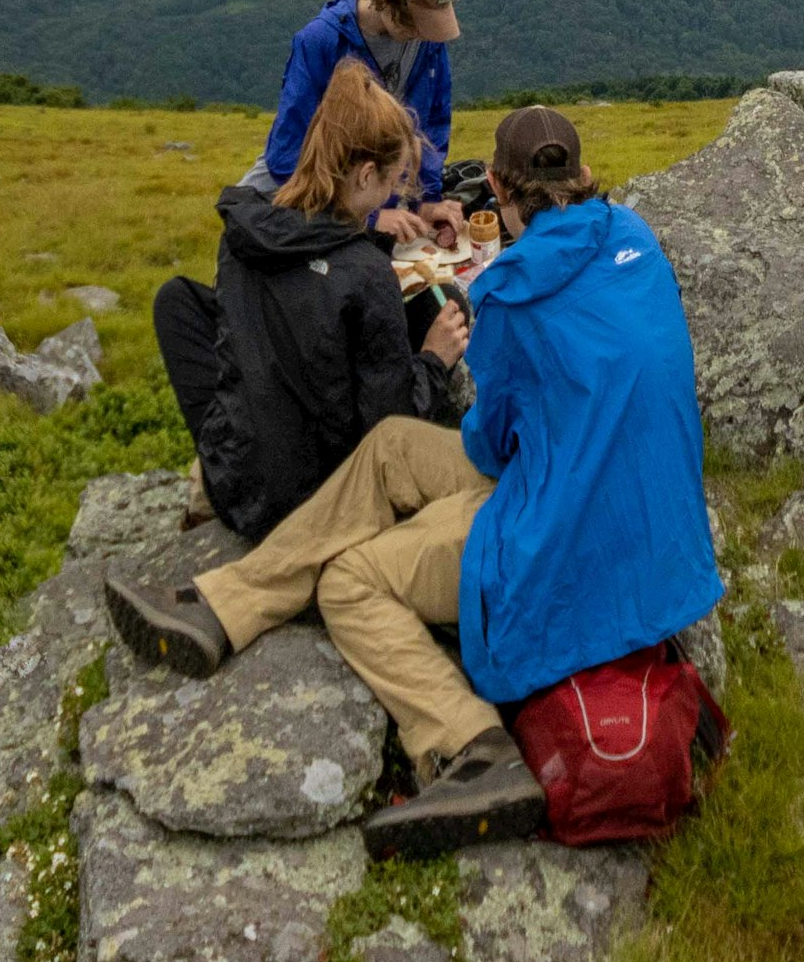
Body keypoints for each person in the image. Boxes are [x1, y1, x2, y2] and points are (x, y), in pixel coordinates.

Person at [112, 109, 708, 853]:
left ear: (497, 188)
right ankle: (223, 606)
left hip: (568, 536)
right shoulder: (636, 237)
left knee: (350, 583)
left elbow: (490, 442)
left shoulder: (511, 290)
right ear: (584, 176)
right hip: (647, 519)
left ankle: (470, 747)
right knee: (393, 444)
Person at [188, 62, 465, 540]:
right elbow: (388, 424)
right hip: (316, 507)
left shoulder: (241, 237)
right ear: (365, 175)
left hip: (234, 484)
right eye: (393, 182)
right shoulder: (367, 275)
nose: (394, 195)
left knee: (181, 304)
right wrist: (434, 360)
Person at [257, 0, 460, 237]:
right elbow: (288, 156)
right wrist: (369, 216)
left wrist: (427, 200)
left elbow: (431, 123)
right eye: (417, 20)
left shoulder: (427, 40)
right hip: (322, 209)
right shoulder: (322, 42)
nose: (425, 32)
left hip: (374, 194)